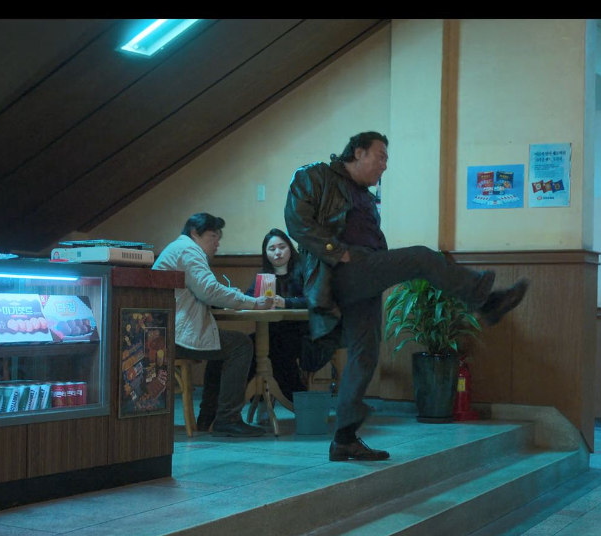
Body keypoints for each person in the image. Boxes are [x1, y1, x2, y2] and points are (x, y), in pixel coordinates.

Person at [285, 131, 529, 462]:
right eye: (381, 156)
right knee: (421, 258)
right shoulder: (314, 176)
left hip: (365, 273)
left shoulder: (365, 196)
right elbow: (297, 222)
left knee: (365, 353)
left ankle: (344, 439)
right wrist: (338, 251)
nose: (385, 165)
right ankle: (487, 302)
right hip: (335, 272)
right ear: (358, 152)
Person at [153, 212, 275, 437]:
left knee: (218, 342)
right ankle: (228, 418)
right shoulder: (189, 250)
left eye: (219, 237)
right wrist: (253, 302)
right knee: (240, 344)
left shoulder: (179, 248)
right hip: (173, 336)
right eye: (213, 236)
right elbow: (209, 290)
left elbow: (202, 290)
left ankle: (209, 416)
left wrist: (233, 297)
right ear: (195, 234)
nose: (217, 242)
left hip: (162, 332)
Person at [205, 228, 335, 421]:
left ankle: (275, 401)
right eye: (272, 249)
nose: (277, 252)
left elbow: (316, 301)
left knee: (273, 350)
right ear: (265, 253)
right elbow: (250, 298)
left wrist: (286, 302)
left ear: (290, 248)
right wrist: (240, 296)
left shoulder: (304, 270)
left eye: (282, 247)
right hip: (270, 333)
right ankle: (279, 401)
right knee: (247, 349)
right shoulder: (264, 275)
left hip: (305, 334)